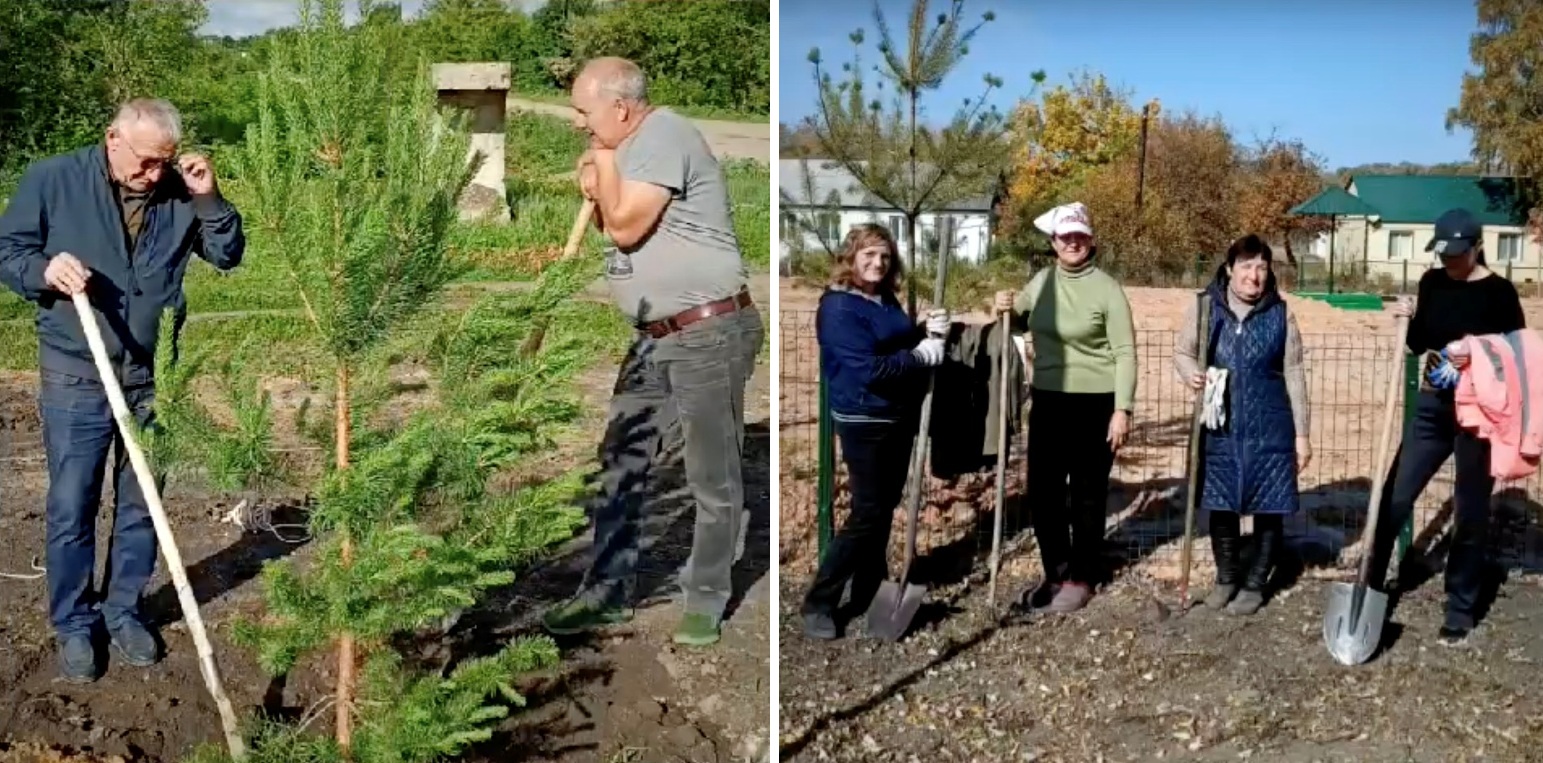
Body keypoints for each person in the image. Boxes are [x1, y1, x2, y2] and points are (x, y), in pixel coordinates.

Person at [0, 99, 245, 683]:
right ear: (112, 137)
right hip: (75, 368)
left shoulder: (181, 191)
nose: (153, 175)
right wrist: (42, 271)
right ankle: (75, 622)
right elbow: (8, 252)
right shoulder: (52, 178)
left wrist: (208, 197)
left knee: (143, 504)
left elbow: (229, 254)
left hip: (155, 374)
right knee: (72, 503)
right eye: (143, 163)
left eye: (164, 163)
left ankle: (124, 610)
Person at [542, 57, 763, 647]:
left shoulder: (666, 135)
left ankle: (706, 597)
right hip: (652, 335)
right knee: (620, 460)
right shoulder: (625, 143)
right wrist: (600, 177)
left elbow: (626, 229)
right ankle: (607, 592)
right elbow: (613, 226)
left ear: (619, 107)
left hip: (708, 331)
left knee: (710, 476)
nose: (578, 122)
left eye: (584, 111)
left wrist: (605, 165)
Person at [1367, 207, 1525, 646]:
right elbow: (1420, 341)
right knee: (1394, 496)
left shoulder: (1499, 293)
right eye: (1444, 253)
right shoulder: (1432, 283)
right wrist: (1406, 319)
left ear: (1477, 247)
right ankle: (1370, 587)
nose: (1449, 261)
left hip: (1479, 415)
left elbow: (1514, 357)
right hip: (1434, 408)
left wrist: (1474, 352)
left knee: (1470, 510)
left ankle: (1460, 606)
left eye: (1457, 253)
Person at [799, 224, 949, 640]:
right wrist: (920, 357)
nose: (878, 263)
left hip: (897, 416)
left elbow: (893, 342)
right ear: (851, 256)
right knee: (867, 512)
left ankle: (869, 588)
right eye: (869, 254)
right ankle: (820, 602)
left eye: (884, 256)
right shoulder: (838, 308)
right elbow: (870, 368)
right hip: (864, 419)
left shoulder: (882, 298)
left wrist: (926, 331)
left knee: (883, 508)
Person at [993, 202, 1136, 613]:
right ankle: (1055, 572)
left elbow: (1125, 352)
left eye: (1079, 235)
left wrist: (1122, 409)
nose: (1072, 242)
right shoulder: (1041, 283)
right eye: (1064, 236)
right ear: (1053, 242)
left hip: (1096, 403)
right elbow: (1016, 320)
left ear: (1090, 240)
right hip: (1049, 400)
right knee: (1044, 493)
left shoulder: (1107, 289)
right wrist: (1002, 305)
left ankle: (1082, 576)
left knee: (1087, 494)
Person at [1173, 234, 1311, 615]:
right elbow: (1183, 351)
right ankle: (1226, 578)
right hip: (1220, 425)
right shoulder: (1204, 309)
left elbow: (1295, 373)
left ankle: (1255, 584)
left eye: (1262, 267)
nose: (1255, 275)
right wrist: (1191, 374)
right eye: (1247, 266)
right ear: (1229, 268)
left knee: (1270, 506)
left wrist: (1302, 435)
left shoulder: (1281, 314)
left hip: (1270, 424)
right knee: (1221, 504)